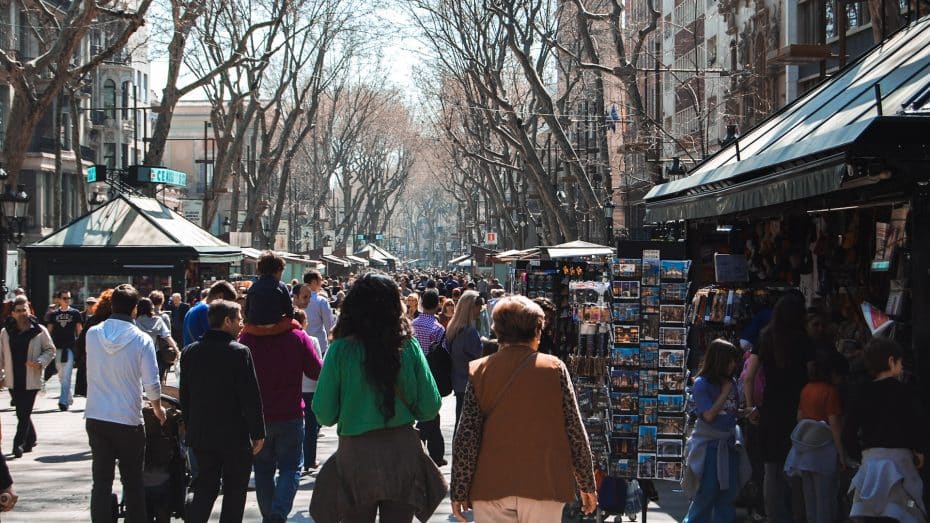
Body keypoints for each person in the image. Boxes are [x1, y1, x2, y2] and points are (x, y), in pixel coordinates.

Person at [310, 272, 446, 522]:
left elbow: (324, 413)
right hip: (401, 454)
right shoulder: (409, 346)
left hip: (355, 456)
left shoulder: (340, 350)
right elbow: (430, 407)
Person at [451, 296, 597, 523]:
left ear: (497, 331)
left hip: (491, 484)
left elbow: (466, 436)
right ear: (537, 331)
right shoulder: (553, 368)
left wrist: (459, 488)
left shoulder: (480, 370)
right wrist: (586, 483)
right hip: (544, 484)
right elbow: (574, 430)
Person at [85, 284, 166, 522]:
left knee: (101, 480)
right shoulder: (141, 339)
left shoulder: (93, 333)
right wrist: (158, 409)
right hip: (128, 417)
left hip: (97, 414)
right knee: (132, 481)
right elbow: (151, 382)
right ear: (134, 310)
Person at [180, 300, 265, 523]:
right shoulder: (239, 352)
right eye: (238, 319)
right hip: (233, 434)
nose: (242, 324)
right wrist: (258, 432)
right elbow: (250, 397)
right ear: (227, 321)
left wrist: (188, 426)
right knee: (235, 489)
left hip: (201, 433)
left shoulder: (190, 352)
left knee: (205, 486)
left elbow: (185, 395)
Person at [239, 301, 323, 523]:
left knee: (263, 470)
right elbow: (316, 371)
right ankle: (277, 514)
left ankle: (270, 516)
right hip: (291, 414)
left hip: (259, 417)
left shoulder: (246, 339)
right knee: (291, 467)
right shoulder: (297, 337)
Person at [743, 290, 814, 523]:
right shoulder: (804, 340)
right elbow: (812, 373)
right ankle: (798, 515)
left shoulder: (765, 337)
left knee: (771, 469)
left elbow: (748, 376)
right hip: (798, 408)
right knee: (798, 468)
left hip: (771, 409)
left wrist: (751, 407)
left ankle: (775, 517)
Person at [845, 337, 928, 521]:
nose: (902, 367)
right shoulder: (906, 391)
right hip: (900, 464)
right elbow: (916, 423)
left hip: (870, 464)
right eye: (900, 362)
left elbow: (848, 431)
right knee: (906, 510)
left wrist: (860, 456)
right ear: (892, 362)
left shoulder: (861, 392)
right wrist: (920, 450)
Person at [682, 339, 751, 523]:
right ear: (720, 361)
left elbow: (730, 412)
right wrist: (724, 392)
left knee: (727, 497)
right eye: (730, 361)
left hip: (728, 446)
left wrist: (747, 413)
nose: (733, 365)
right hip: (709, 448)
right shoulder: (702, 384)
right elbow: (709, 416)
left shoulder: (731, 382)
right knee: (705, 496)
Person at [784, 352, 846, 523]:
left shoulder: (806, 389)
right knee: (825, 499)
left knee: (809, 498)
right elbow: (834, 425)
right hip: (824, 451)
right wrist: (841, 454)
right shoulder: (831, 392)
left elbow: (799, 417)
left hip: (805, 450)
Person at [0, 296, 56, 457]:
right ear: (12, 313)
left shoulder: (38, 330)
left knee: (24, 412)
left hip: (31, 377)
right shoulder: (6, 332)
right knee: (21, 412)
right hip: (13, 378)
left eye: (24, 310)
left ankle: (18, 444)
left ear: (29, 310)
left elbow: (50, 350)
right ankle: (31, 438)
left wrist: (39, 362)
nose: (22, 313)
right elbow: (1, 356)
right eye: (18, 311)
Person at [411, 289, 448, 466]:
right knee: (432, 412)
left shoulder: (412, 324)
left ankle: (432, 452)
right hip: (433, 373)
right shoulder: (438, 329)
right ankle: (430, 449)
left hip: (415, 371)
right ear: (437, 305)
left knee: (427, 412)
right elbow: (444, 352)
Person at [447, 290, 484, 431]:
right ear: (471, 307)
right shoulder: (470, 332)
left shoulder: (454, 328)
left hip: (458, 381)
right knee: (467, 424)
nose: (480, 309)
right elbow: (478, 357)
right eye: (478, 306)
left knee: (460, 420)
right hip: (469, 383)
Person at [293, 307, 324, 473]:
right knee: (311, 426)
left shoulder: (287, 339)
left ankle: (299, 456)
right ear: (304, 323)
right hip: (311, 387)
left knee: (298, 426)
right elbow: (317, 363)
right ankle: (310, 459)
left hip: (295, 387)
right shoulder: (312, 340)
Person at [45, 289, 82, 411]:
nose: (67, 300)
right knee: (61, 375)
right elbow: (48, 332)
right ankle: (68, 397)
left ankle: (63, 401)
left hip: (70, 348)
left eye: (69, 298)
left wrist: (80, 347)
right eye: (65, 298)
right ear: (59, 300)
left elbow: (79, 331)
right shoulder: (53, 315)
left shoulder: (75, 313)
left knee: (67, 375)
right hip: (57, 348)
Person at [135, 297, 179, 383]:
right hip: (155, 354)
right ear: (151, 307)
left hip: (138, 355)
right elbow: (167, 336)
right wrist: (176, 350)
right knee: (155, 380)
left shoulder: (135, 321)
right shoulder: (158, 320)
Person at [245, 252, 293, 326]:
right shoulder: (281, 286)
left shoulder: (253, 287)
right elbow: (290, 312)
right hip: (276, 327)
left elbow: (247, 312)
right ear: (278, 270)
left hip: (255, 328)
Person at [184, 281, 237, 346]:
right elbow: (217, 340)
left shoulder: (193, 309)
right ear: (220, 297)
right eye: (228, 304)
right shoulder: (206, 310)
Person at [303, 270, 335, 356]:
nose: (322, 283)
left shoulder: (295, 300)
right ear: (313, 282)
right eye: (320, 280)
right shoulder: (321, 301)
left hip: (301, 343)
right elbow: (329, 325)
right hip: (319, 346)